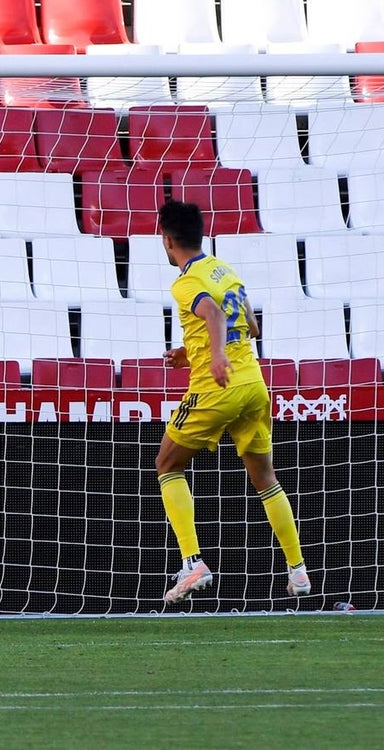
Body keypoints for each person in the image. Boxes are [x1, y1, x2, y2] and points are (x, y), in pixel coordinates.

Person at [154, 200, 311, 604]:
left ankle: (193, 562)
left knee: (167, 464)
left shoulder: (186, 282)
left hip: (217, 387)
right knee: (265, 478)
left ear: (167, 240)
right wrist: (191, 352)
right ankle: (297, 571)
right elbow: (251, 327)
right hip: (254, 385)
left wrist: (217, 356)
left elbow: (215, 317)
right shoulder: (225, 270)